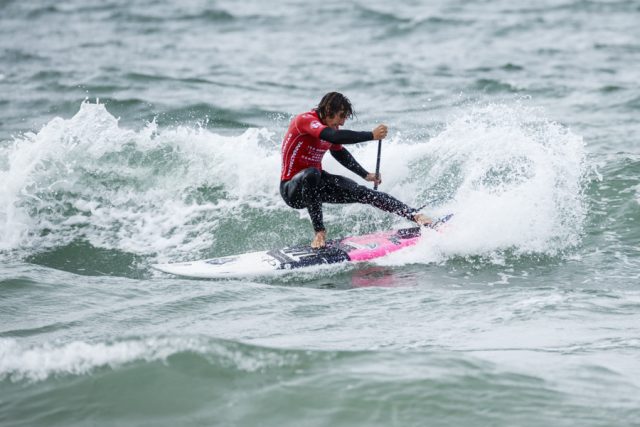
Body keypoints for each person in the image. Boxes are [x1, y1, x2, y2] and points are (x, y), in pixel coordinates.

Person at [279, 92, 432, 248]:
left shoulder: (331, 128)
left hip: (316, 185)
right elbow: (334, 137)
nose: (342, 123)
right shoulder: (305, 120)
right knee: (312, 173)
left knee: (363, 193)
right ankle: (319, 232)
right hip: (292, 189)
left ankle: (415, 215)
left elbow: (339, 152)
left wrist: (365, 175)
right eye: (341, 116)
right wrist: (371, 135)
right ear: (328, 110)